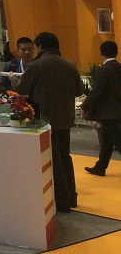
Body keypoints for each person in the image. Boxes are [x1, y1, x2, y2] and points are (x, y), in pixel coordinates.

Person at [16, 32, 83, 212]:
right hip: (66, 118)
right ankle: (71, 197)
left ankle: (62, 201)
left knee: (54, 160)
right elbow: (79, 91)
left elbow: (21, 89)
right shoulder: (70, 65)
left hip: (45, 120)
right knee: (65, 156)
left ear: (40, 46)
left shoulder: (36, 66)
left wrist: (14, 81)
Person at [81, 41, 121, 176]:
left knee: (118, 141)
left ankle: (100, 167)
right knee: (107, 141)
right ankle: (100, 167)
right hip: (117, 110)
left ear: (101, 52)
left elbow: (96, 91)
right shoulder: (119, 68)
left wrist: (84, 107)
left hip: (108, 112)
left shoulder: (103, 70)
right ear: (117, 52)